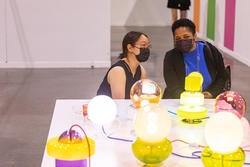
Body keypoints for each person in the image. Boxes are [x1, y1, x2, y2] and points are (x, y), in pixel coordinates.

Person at [163, 19, 227, 99]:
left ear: (195, 36)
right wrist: (189, 98)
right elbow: (172, 85)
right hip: (179, 101)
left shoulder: (210, 51)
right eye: (178, 39)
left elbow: (222, 76)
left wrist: (212, 93)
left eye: (186, 37)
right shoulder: (171, 57)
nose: (182, 41)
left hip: (208, 101)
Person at [97, 31, 151, 99]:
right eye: (143, 45)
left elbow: (141, 98)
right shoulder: (118, 71)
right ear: (130, 48)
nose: (146, 49)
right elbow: (120, 103)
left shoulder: (141, 70)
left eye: (148, 46)